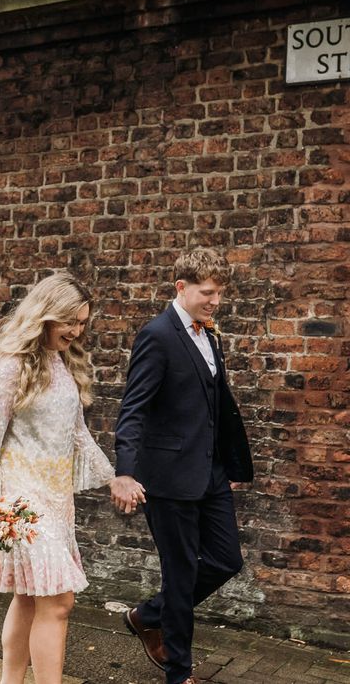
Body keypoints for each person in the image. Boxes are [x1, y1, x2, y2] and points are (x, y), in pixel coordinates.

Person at [0, 272, 115, 684]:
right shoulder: (7, 368)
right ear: (46, 315)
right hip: (21, 502)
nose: (77, 331)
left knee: (28, 597)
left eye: (82, 323)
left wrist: (115, 478)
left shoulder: (61, 363)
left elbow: (77, 433)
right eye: (70, 322)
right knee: (59, 600)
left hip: (57, 499)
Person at [110, 248, 253, 684]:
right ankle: (179, 672)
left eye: (219, 294)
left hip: (210, 473)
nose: (215, 301)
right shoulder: (157, 335)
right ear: (181, 288)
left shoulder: (209, 335)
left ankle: (147, 615)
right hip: (168, 477)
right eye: (207, 293)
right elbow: (133, 409)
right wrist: (125, 472)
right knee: (181, 571)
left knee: (227, 560)